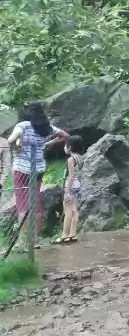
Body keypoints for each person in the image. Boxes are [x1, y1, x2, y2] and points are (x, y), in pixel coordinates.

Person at [7, 101, 68, 247]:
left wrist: (17, 146)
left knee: (22, 205)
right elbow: (65, 135)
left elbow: (10, 140)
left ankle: (23, 241)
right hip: (38, 168)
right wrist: (48, 143)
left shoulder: (23, 126)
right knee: (36, 203)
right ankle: (34, 240)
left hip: (21, 169)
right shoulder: (47, 128)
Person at [56, 135, 85, 244]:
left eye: (65, 145)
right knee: (74, 210)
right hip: (78, 185)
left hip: (71, 185)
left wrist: (67, 191)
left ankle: (64, 235)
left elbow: (71, 175)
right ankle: (73, 234)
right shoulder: (80, 158)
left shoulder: (70, 159)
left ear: (70, 147)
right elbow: (79, 174)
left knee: (67, 210)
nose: (64, 147)